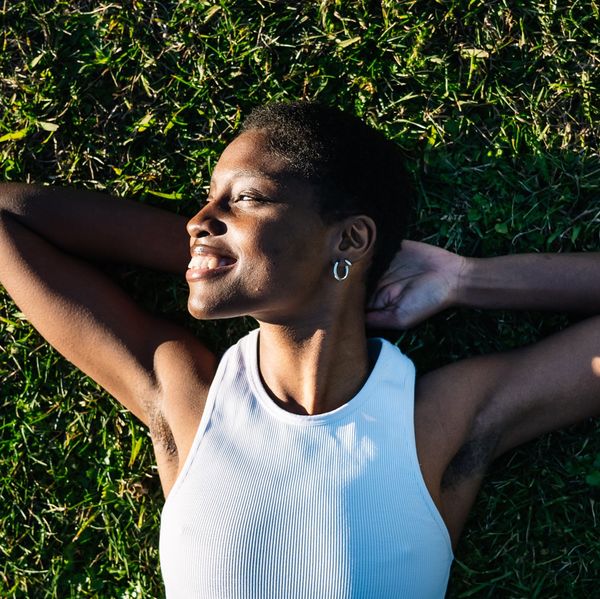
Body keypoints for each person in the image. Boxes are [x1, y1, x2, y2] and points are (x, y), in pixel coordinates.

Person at [0, 101, 598, 598]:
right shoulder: (187, 401)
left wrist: (464, 279)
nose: (198, 219)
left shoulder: (434, 422)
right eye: (209, 200)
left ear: (350, 236)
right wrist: (219, 262)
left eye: (246, 198)